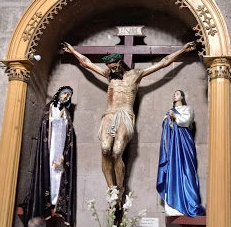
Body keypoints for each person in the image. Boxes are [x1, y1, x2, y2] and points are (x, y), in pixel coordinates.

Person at [63, 41, 197, 204]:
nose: (112, 70)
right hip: (109, 114)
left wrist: (182, 50)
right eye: (110, 68)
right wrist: (72, 50)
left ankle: (120, 189)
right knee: (105, 150)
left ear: (120, 63)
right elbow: (87, 63)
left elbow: (163, 63)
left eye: (114, 67)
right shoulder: (108, 75)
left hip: (126, 114)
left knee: (116, 152)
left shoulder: (136, 74)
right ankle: (111, 189)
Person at [24, 86, 76, 227]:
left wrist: (63, 122)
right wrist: (56, 121)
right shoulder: (49, 107)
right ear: (58, 94)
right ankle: (47, 200)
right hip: (51, 145)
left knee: (58, 175)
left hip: (60, 149)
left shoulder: (66, 112)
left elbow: (69, 130)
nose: (65, 97)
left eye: (67, 96)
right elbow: (46, 123)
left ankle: (56, 200)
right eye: (63, 94)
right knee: (49, 172)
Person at [156, 90, 206, 217]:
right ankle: (174, 203)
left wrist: (175, 117)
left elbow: (187, 120)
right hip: (174, 146)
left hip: (185, 144)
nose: (175, 95)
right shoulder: (169, 111)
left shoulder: (187, 109)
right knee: (174, 170)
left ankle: (191, 202)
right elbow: (167, 127)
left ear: (182, 96)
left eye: (177, 93)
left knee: (187, 170)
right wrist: (169, 119)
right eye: (174, 94)